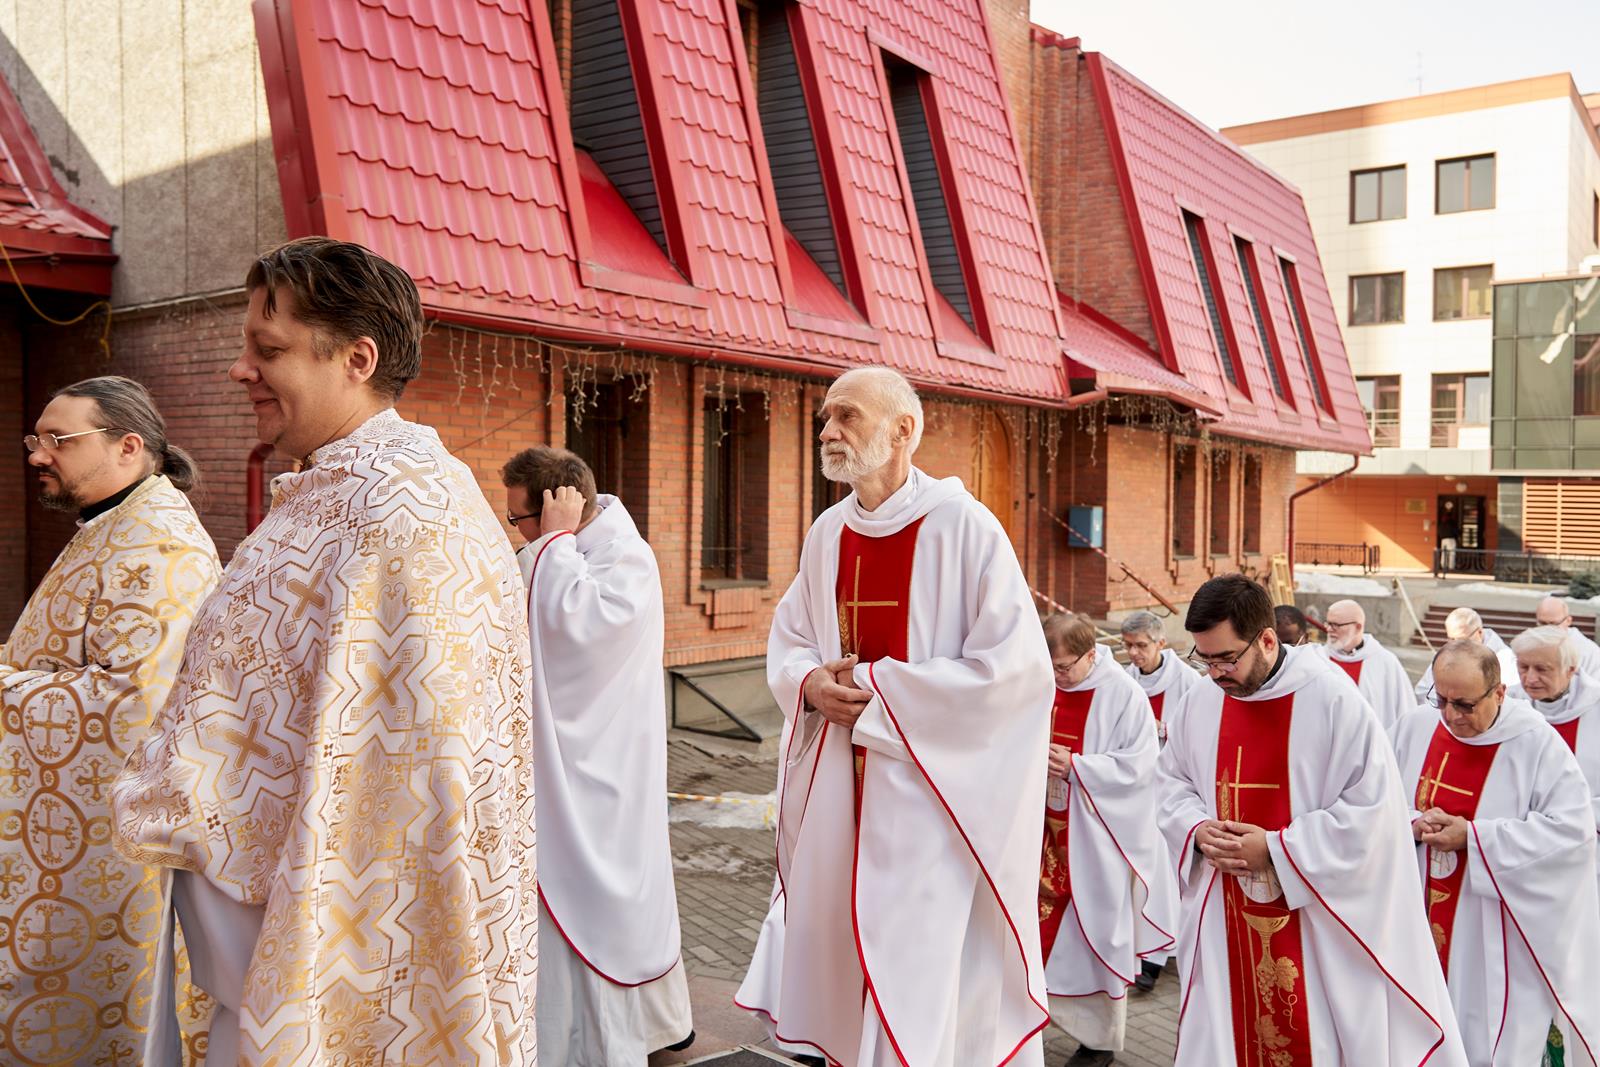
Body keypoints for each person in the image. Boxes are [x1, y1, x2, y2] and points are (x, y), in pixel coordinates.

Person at [112, 238, 537, 1066]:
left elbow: (407, 784)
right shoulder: (339, 486)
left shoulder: (404, 514)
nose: (240, 369)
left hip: (315, 974)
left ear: (357, 358)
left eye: (267, 350)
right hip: (249, 946)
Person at [736, 366, 1053, 1066]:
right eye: (826, 416)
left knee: (917, 970)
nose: (828, 430)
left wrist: (879, 689)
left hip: (929, 804)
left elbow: (1016, 675)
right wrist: (810, 684)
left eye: (846, 415)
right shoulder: (827, 533)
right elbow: (792, 636)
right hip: (839, 796)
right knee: (843, 955)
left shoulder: (965, 528)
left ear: (904, 429)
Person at [0, 377, 221, 1066]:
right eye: (36, 438)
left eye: (58, 439)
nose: (38, 454)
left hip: (104, 846)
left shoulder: (158, 544)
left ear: (128, 446)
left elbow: (132, 702)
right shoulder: (114, 523)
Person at [1158, 574, 1466, 1066]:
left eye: (1227, 658)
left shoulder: (1332, 700)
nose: (1215, 673)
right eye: (1205, 659)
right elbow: (1170, 781)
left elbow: (1373, 814)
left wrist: (1276, 849)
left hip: (1316, 922)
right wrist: (1195, 830)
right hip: (1224, 913)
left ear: (1266, 639)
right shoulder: (1202, 699)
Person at [503, 446, 693, 1064]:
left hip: (606, 766)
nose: (516, 535)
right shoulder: (566, 552)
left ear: (557, 507)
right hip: (571, 759)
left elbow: (577, 634)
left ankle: (612, 1041)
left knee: (604, 897)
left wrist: (552, 545)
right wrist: (551, 546)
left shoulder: (624, 558)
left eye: (518, 520)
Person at [1390, 641, 1600, 1066]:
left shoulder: (1534, 742)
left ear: (1499, 693)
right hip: (1416, 905)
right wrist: (1412, 822)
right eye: (1441, 699)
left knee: (1480, 1030)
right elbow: (1378, 801)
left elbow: (1572, 833)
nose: (1451, 716)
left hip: (1490, 925)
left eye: (1465, 705)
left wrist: (1474, 837)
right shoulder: (1415, 726)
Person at [1039, 613, 1176, 1067]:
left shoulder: (1123, 694)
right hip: (1041, 836)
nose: (1057, 676)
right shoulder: (1043, 683)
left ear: (1090, 654)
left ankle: (1098, 1041)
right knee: (1038, 935)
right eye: (1051, 667)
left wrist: (1077, 766)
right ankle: (1034, 1020)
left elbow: (1140, 767)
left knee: (1095, 937)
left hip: (1097, 842)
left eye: (1064, 667)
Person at [1313, 598, 1413, 730]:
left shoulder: (1385, 662)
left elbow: (1405, 709)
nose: (1329, 629)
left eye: (1336, 625)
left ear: (1358, 627)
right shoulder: (1319, 659)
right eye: (1328, 623)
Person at [1120, 609, 1201, 741]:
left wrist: (1161, 728)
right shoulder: (1125, 679)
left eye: (1141, 645)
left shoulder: (1188, 679)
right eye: (1128, 645)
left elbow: (1200, 730)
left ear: (1160, 643)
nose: (1132, 652)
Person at [1413, 607, 1517, 703]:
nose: (1455, 645)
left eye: (1461, 640)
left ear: (1479, 633)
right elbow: (1423, 691)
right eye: (1451, 639)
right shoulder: (1446, 655)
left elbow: (1512, 696)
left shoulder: (1505, 659)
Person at [1535, 595, 1600, 679]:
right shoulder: (1529, 645)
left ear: (1568, 621)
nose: (1547, 629)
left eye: (1553, 624)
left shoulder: (1589, 652)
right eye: (1542, 623)